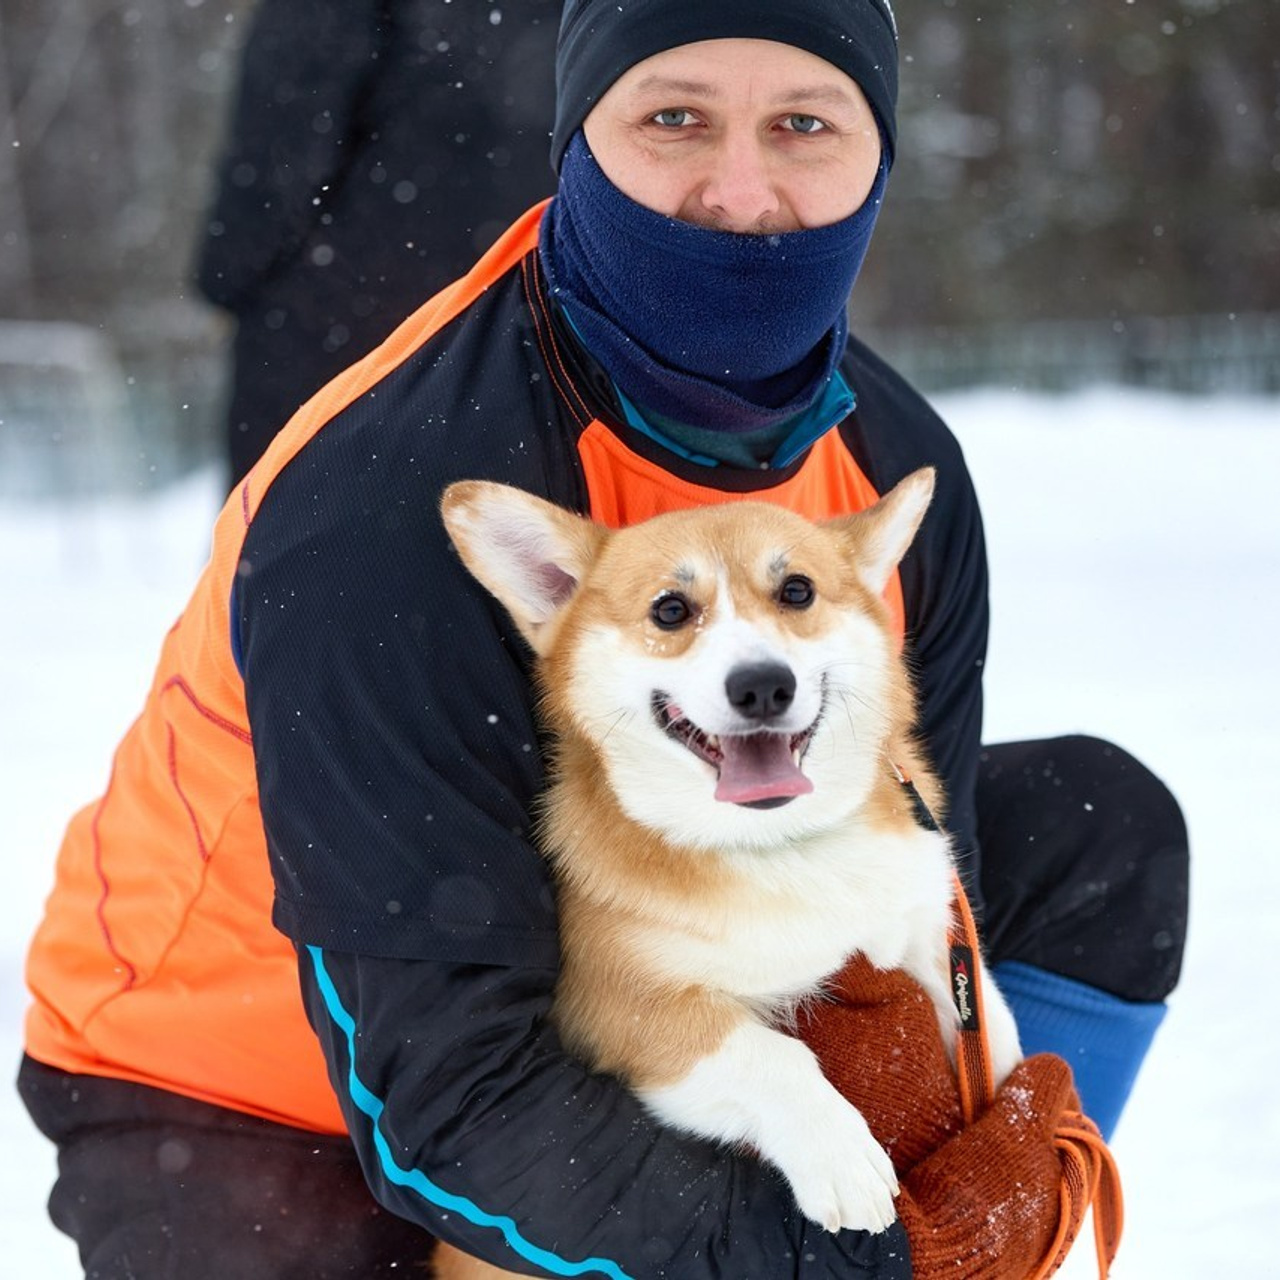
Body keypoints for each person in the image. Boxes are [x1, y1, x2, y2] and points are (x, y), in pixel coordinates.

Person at [19, 1, 1188, 1276]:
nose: (738, 191)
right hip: (253, 1096)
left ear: (878, 159)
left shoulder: (897, 462)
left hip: (651, 959)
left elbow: (910, 875)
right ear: (575, 138)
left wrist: (961, 1185)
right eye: (673, 116)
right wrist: (865, 1265)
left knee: (1096, 831)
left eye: (803, 125)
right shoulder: (381, 502)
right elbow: (444, 1094)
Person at [195, 0, 560, 486]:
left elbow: (278, 151)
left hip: (344, 328)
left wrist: (223, 275)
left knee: (304, 519)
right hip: (518, 326)